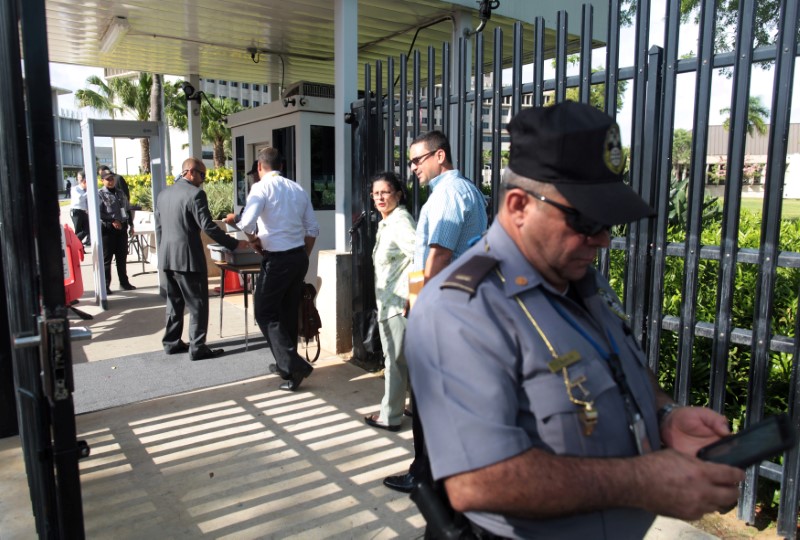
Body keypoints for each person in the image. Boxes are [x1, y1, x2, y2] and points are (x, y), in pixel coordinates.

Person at [405, 101, 744, 538]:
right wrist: (643, 480)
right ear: (518, 205)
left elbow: (614, 369)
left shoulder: (580, 280)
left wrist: (665, 416)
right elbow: (478, 482)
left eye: (606, 221)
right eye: (584, 219)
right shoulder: (462, 309)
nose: (602, 238)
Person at [384, 130, 488, 493]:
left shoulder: (446, 195)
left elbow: (438, 256)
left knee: (429, 398)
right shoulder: (467, 190)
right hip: (461, 306)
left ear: (439, 156)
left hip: (444, 309)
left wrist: (419, 304)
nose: (412, 168)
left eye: (417, 160)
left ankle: (425, 475)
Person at [238, 147, 320, 391]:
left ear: (261, 167)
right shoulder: (297, 189)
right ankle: (287, 368)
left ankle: (294, 365)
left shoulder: (261, 187)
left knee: (264, 312)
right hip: (297, 257)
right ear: (281, 167)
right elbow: (313, 229)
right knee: (286, 312)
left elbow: (246, 222)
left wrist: (254, 242)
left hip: (277, 259)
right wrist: (302, 255)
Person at [155, 157, 248, 360]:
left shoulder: (163, 194)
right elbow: (208, 226)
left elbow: (160, 229)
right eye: (202, 175)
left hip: (167, 258)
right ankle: (197, 347)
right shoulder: (196, 194)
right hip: (188, 259)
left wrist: (162, 255)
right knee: (197, 304)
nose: (203, 180)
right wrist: (233, 244)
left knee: (174, 302)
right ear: (189, 172)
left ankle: (171, 342)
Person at [363, 172, 417, 432]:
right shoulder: (387, 222)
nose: (380, 197)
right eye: (376, 193)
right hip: (390, 301)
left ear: (398, 193)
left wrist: (412, 295)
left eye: (385, 192)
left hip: (398, 304)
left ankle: (391, 415)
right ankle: (414, 408)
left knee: (393, 362)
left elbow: (421, 255)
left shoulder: (400, 222)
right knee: (404, 360)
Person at [98, 169, 136, 293]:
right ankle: (106, 286)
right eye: (108, 179)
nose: (111, 181)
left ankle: (124, 283)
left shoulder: (120, 193)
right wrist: (112, 220)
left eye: (112, 178)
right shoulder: (100, 194)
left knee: (121, 258)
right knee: (107, 259)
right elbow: (99, 213)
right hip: (108, 230)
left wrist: (130, 224)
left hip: (122, 229)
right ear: (102, 180)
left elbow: (127, 208)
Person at [70, 171, 90, 246]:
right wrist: (89, 192)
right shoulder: (75, 189)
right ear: (84, 182)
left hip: (84, 212)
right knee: (78, 230)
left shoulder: (86, 190)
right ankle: (76, 244)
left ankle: (76, 243)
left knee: (87, 229)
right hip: (76, 211)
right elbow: (79, 198)